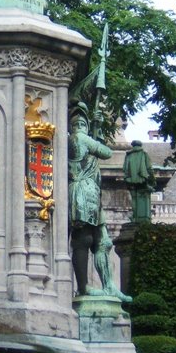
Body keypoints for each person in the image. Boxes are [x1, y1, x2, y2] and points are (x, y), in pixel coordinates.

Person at [68, 103, 112, 295]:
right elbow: (107, 152)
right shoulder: (80, 137)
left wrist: (98, 128)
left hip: (91, 194)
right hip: (83, 193)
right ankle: (84, 287)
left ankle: (108, 286)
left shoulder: (76, 138)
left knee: (101, 240)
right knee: (83, 239)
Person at [123, 140, 157, 223]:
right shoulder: (144, 154)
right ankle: (142, 217)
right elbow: (149, 167)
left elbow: (124, 168)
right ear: (140, 145)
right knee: (142, 197)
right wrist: (152, 178)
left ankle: (135, 216)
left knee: (134, 198)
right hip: (141, 178)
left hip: (130, 179)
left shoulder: (128, 155)